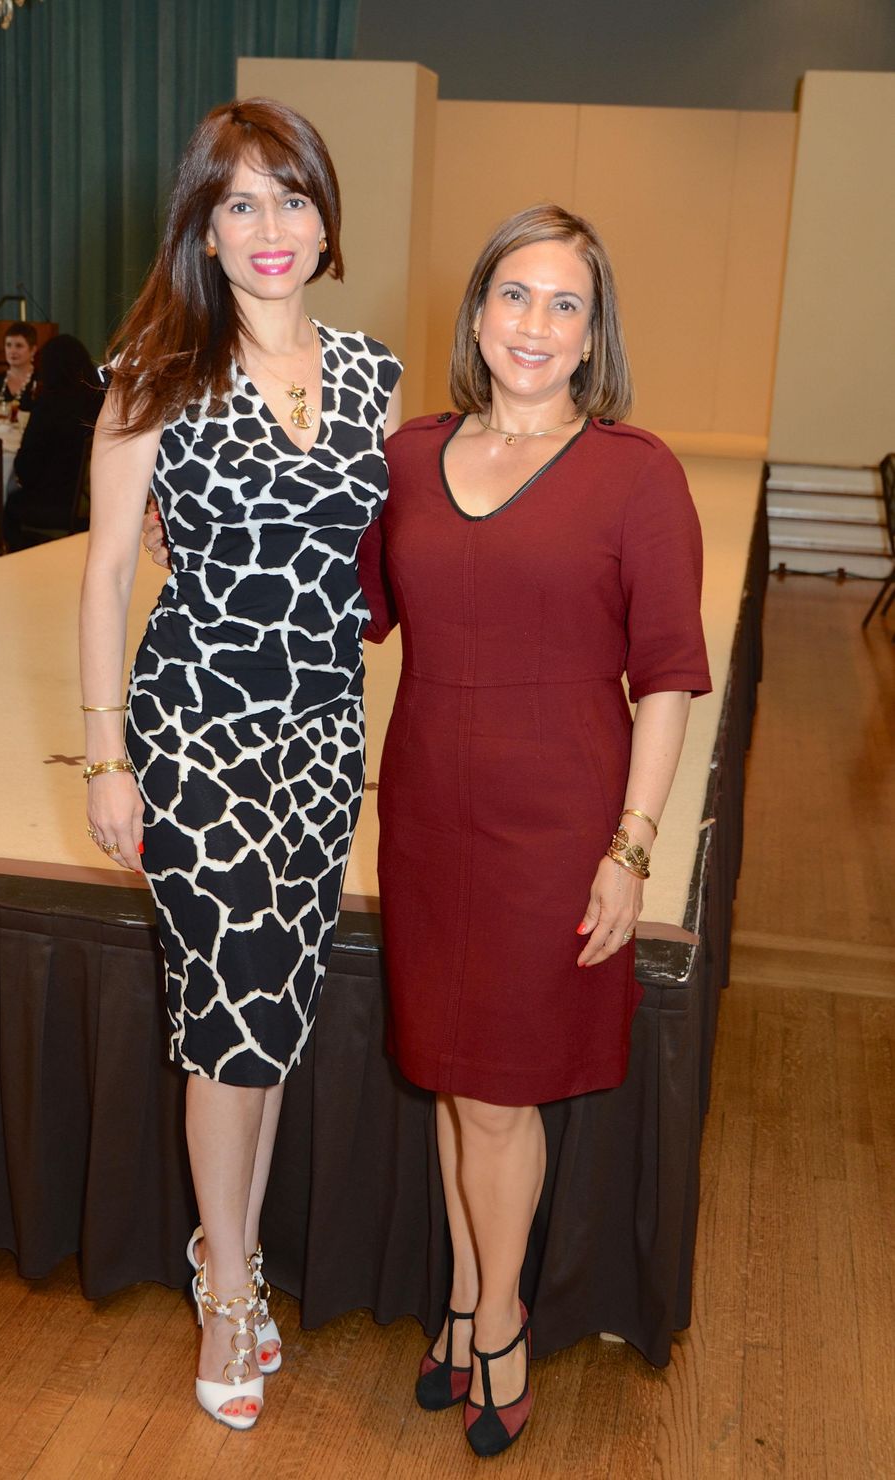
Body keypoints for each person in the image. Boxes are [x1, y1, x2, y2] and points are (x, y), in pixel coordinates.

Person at [359, 204, 712, 1457]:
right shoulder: (406, 456)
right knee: (453, 1074)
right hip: (426, 817)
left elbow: (665, 678)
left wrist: (629, 848)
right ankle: (465, 1305)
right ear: (474, 313)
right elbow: (338, 606)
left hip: (556, 823)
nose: (534, 323)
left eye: (566, 304)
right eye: (514, 294)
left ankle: (499, 1320)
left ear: (593, 335)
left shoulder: (636, 474)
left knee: (498, 1092)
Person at [78, 98, 402, 1432]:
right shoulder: (153, 373)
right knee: (227, 1024)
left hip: (324, 736)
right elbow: (107, 574)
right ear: (204, 232)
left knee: (274, 1019)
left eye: (293, 197)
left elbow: (393, 563)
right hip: (198, 732)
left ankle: (235, 1254)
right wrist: (106, 756)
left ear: (326, 222)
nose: (272, 226)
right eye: (241, 203)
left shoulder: (374, 376)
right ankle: (224, 1294)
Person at [3, 334, 103, 551]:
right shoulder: (101, 403)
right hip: (95, 505)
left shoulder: (48, 406)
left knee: (8, 507)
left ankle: (24, 565)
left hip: (53, 506)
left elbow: (25, 469)